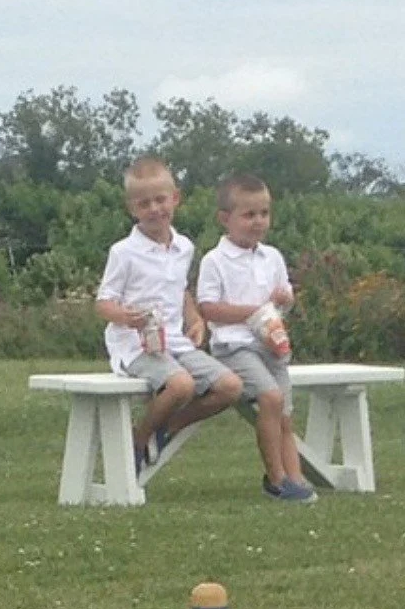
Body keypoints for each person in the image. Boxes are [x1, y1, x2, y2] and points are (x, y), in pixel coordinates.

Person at [95, 157, 242, 474]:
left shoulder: (184, 247)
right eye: (144, 203)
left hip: (174, 341)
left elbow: (179, 290)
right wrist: (125, 317)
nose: (154, 209)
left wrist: (196, 320)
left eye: (160, 200)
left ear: (176, 198)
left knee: (231, 387)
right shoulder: (124, 252)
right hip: (135, 345)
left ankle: (170, 427)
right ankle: (138, 440)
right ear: (132, 208)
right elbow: (103, 304)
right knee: (181, 386)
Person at [197, 172, 317, 502]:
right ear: (226, 219)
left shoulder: (273, 257)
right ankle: (275, 478)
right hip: (234, 347)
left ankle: (297, 480)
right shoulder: (215, 260)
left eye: (264, 213)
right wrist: (254, 310)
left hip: (271, 344)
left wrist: (284, 302)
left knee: (285, 416)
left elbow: (282, 303)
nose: (258, 222)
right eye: (249, 215)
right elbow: (208, 308)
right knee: (271, 398)